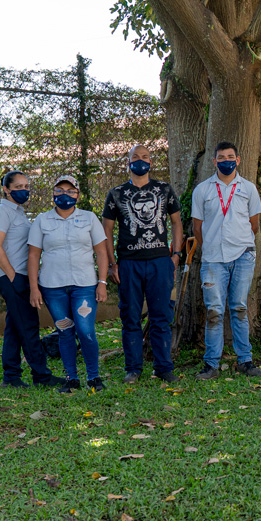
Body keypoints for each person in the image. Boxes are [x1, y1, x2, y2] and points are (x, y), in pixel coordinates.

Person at [102, 144, 184, 384]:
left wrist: (176, 254)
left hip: (160, 262)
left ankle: (163, 368)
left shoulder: (164, 189)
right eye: (135, 157)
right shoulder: (116, 193)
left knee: (161, 317)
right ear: (128, 162)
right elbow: (106, 229)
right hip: (129, 264)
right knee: (130, 317)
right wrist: (111, 263)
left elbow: (177, 222)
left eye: (145, 157)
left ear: (151, 161)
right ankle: (133, 369)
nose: (140, 160)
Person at [27, 175, 110, 393]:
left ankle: (94, 377)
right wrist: (34, 288)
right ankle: (71, 378)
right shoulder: (42, 220)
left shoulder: (89, 218)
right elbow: (34, 255)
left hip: (84, 286)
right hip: (53, 288)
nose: (65, 195)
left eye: (70, 190)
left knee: (85, 330)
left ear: (78, 194)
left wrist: (102, 282)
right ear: (53, 194)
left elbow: (101, 251)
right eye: (60, 190)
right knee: (65, 331)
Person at [190, 141, 261, 379]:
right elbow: (197, 228)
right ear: (214, 162)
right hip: (213, 259)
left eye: (230, 156)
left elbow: (254, 224)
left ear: (238, 160)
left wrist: (239, 243)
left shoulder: (249, 188)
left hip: (243, 256)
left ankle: (245, 361)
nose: (226, 161)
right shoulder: (202, 190)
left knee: (240, 308)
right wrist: (211, 247)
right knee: (214, 310)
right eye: (221, 157)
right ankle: (211, 364)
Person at [0, 170, 61, 388]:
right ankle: (42, 375)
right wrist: (13, 276)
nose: (24, 191)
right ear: (6, 189)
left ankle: (11, 376)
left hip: (20, 276)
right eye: (18, 187)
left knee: (15, 326)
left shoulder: (18, 212)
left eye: (26, 187)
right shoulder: (1, 212)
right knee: (28, 325)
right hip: (12, 277)